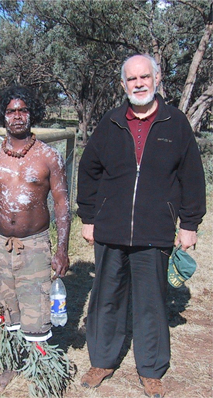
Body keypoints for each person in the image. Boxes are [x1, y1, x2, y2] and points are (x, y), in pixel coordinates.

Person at [77, 54, 206, 398]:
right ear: (123, 84)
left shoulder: (175, 123)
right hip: (110, 228)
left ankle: (151, 369)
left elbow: (192, 177)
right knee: (106, 299)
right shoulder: (111, 122)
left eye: (144, 77)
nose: (138, 83)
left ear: (157, 79)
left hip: (155, 231)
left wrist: (189, 223)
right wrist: (88, 217)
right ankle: (102, 360)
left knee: (151, 302)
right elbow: (88, 170)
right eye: (131, 79)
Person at [0, 85, 70, 390]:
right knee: (2, 304)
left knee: (36, 306)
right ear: (2, 115)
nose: (17, 116)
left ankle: (41, 368)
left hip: (35, 244)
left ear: (32, 114)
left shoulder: (48, 157)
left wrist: (62, 248)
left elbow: (62, 203)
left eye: (23, 110)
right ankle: (9, 362)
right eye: (11, 110)